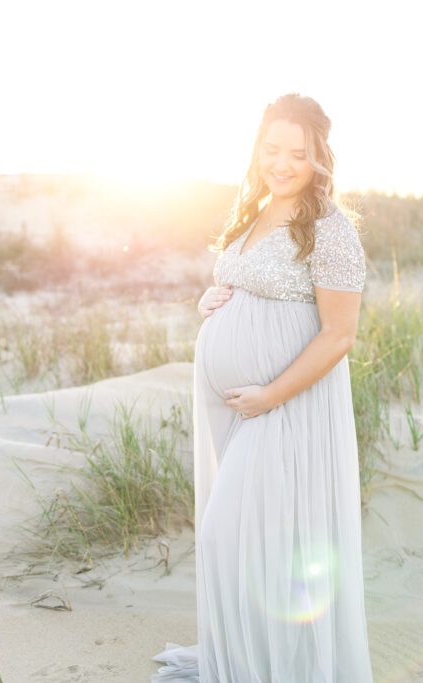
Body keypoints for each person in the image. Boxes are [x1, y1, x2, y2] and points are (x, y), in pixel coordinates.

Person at [152, 93, 374, 682]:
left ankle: (270, 669)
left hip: (287, 409)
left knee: (234, 535)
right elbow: (244, 283)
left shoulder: (329, 230)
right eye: (272, 149)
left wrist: (272, 395)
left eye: (297, 153)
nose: (282, 163)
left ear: (319, 157)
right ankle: (251, 658)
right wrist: (213, 298)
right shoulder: (253, 213)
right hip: (239, 407)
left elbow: (339, 335)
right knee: (255, 542)